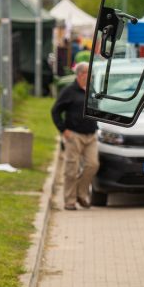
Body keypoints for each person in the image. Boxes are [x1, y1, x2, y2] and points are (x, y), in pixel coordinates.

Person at [51, 61, 100, 210]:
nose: (90, 76)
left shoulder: (92, 90)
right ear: (80, 74)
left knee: (93, 165)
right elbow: (55, 111)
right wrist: (63, 130)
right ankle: (70, 200)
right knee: (71, 169)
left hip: (91, 135)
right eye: (88, 73)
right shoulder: (69, 91)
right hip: (74, 135)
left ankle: (81, 193)